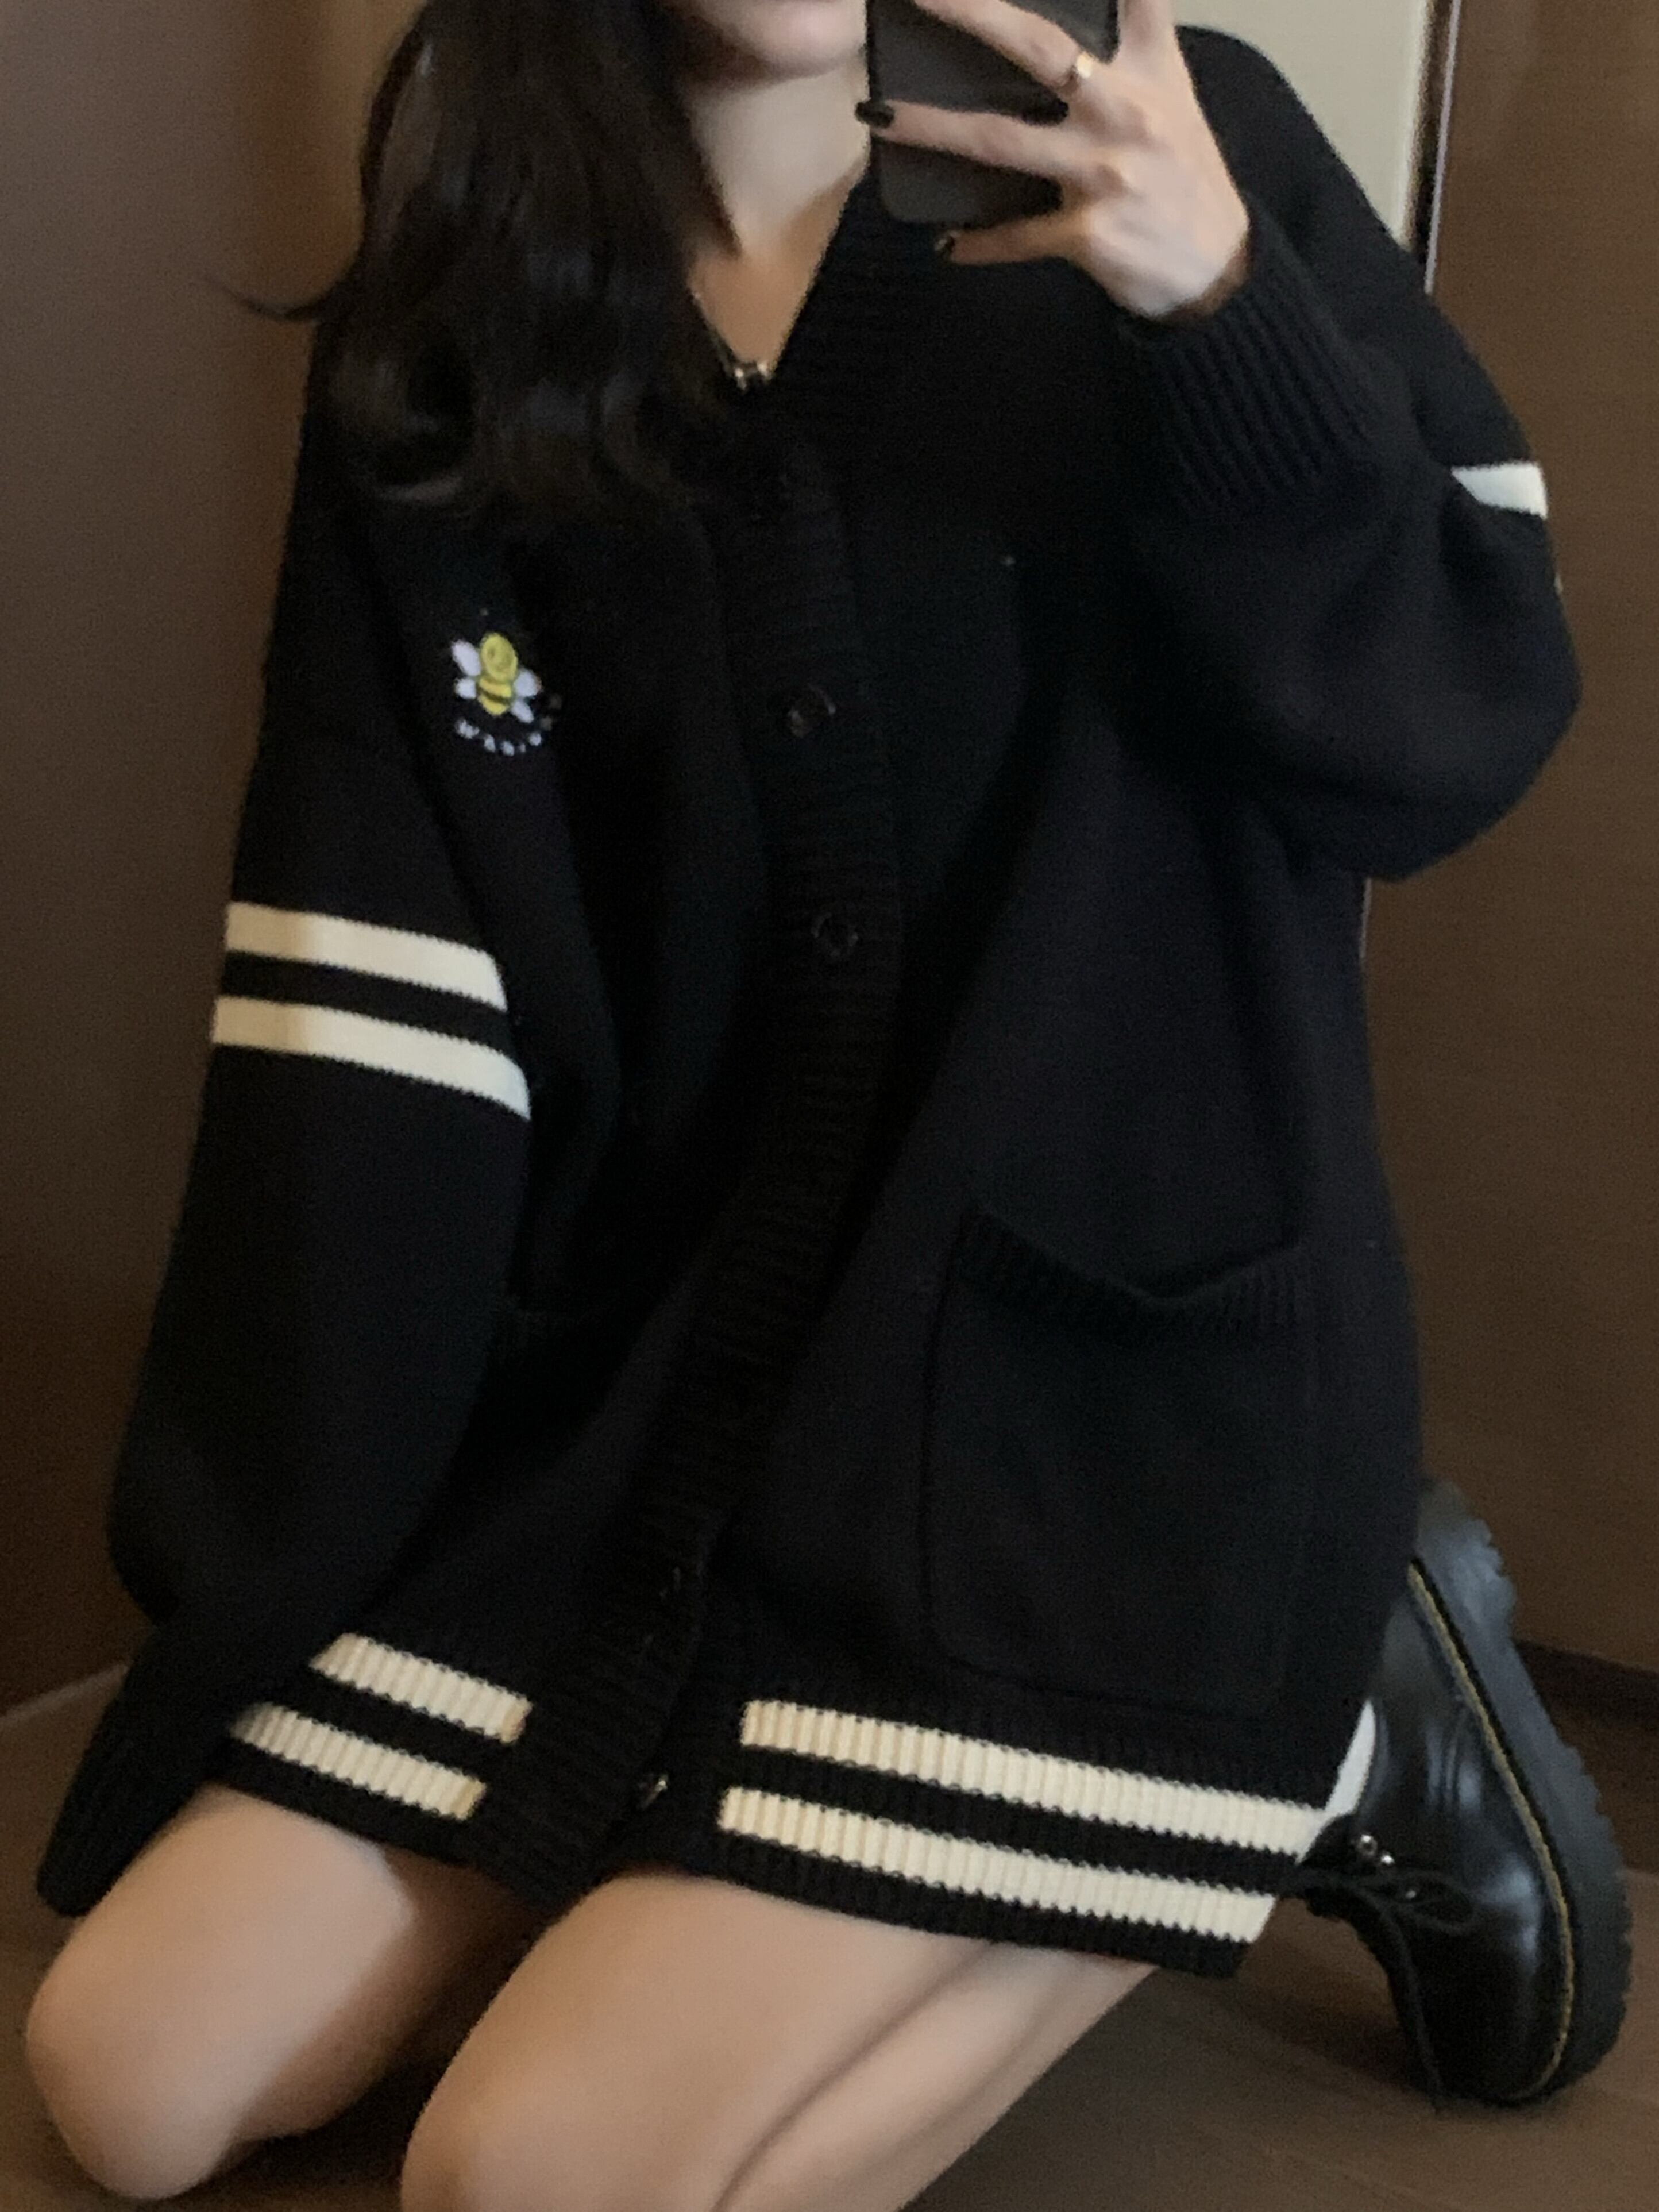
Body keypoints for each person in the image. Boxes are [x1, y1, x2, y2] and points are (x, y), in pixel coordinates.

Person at [22, 0, 1629, 2202]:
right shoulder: (473, 296)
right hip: (660, 1413)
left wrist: (1217, 314)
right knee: (125, 2077)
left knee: (530, 2176)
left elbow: (1457, 722)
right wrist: (260, 1578)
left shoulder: (1176, 143)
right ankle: (760, 1843)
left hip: (1097, 1421)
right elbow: (376, 994)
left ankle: (1311, 1726)